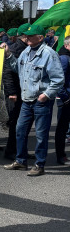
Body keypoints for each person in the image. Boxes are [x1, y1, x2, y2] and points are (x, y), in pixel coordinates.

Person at [3, 23, 64, 175]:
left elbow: (58, 79)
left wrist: (46, 95)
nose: (27, 38)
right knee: (20, 130)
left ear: (41, 38)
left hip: (40, 101)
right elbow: (17, 68)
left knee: (41, 134)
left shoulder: (49, 54)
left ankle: (39, 164)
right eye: (27, 35)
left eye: (31, 36)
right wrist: (9, 54)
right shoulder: (26, 51)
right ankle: (21, 161)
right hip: (26, 100)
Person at [1, 26, 28, 159]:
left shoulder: (25, 48)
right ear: (22, 36)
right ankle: (11, 151)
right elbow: (8, 73)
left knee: (23, 123)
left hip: (22, 90)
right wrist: (12, 92)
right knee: (15, 122)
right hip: (15, 92)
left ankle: (21, 149)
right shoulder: (14, 49)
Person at [55, 36, 70, 165]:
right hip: (66, 100)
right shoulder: (64, 58)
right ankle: (60, 155)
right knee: (62, 129)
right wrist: (65, 98)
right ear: (66, 46)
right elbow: (60, 80)